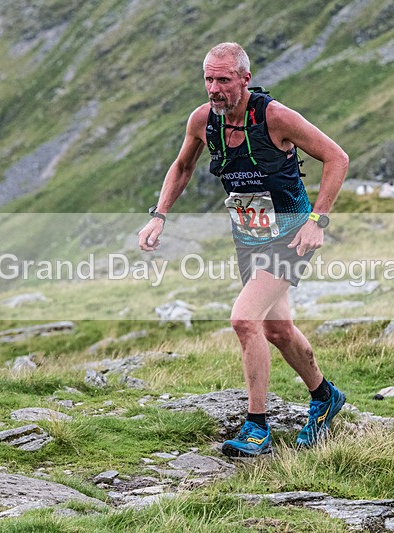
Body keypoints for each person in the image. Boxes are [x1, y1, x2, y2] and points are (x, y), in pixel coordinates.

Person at [138, 42, 349, 457]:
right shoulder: (203, 120)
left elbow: (336, 157)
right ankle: (325, 397)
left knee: (244, 319)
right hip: (248, 237)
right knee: (277, 330)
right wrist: (159, 214)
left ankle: (256, 428)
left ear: (245, 79)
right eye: (208, 79)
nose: (214, 88)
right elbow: (182, 166)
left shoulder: (275, 117)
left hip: (290, 234)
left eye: (223, 79)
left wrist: (318, 220)